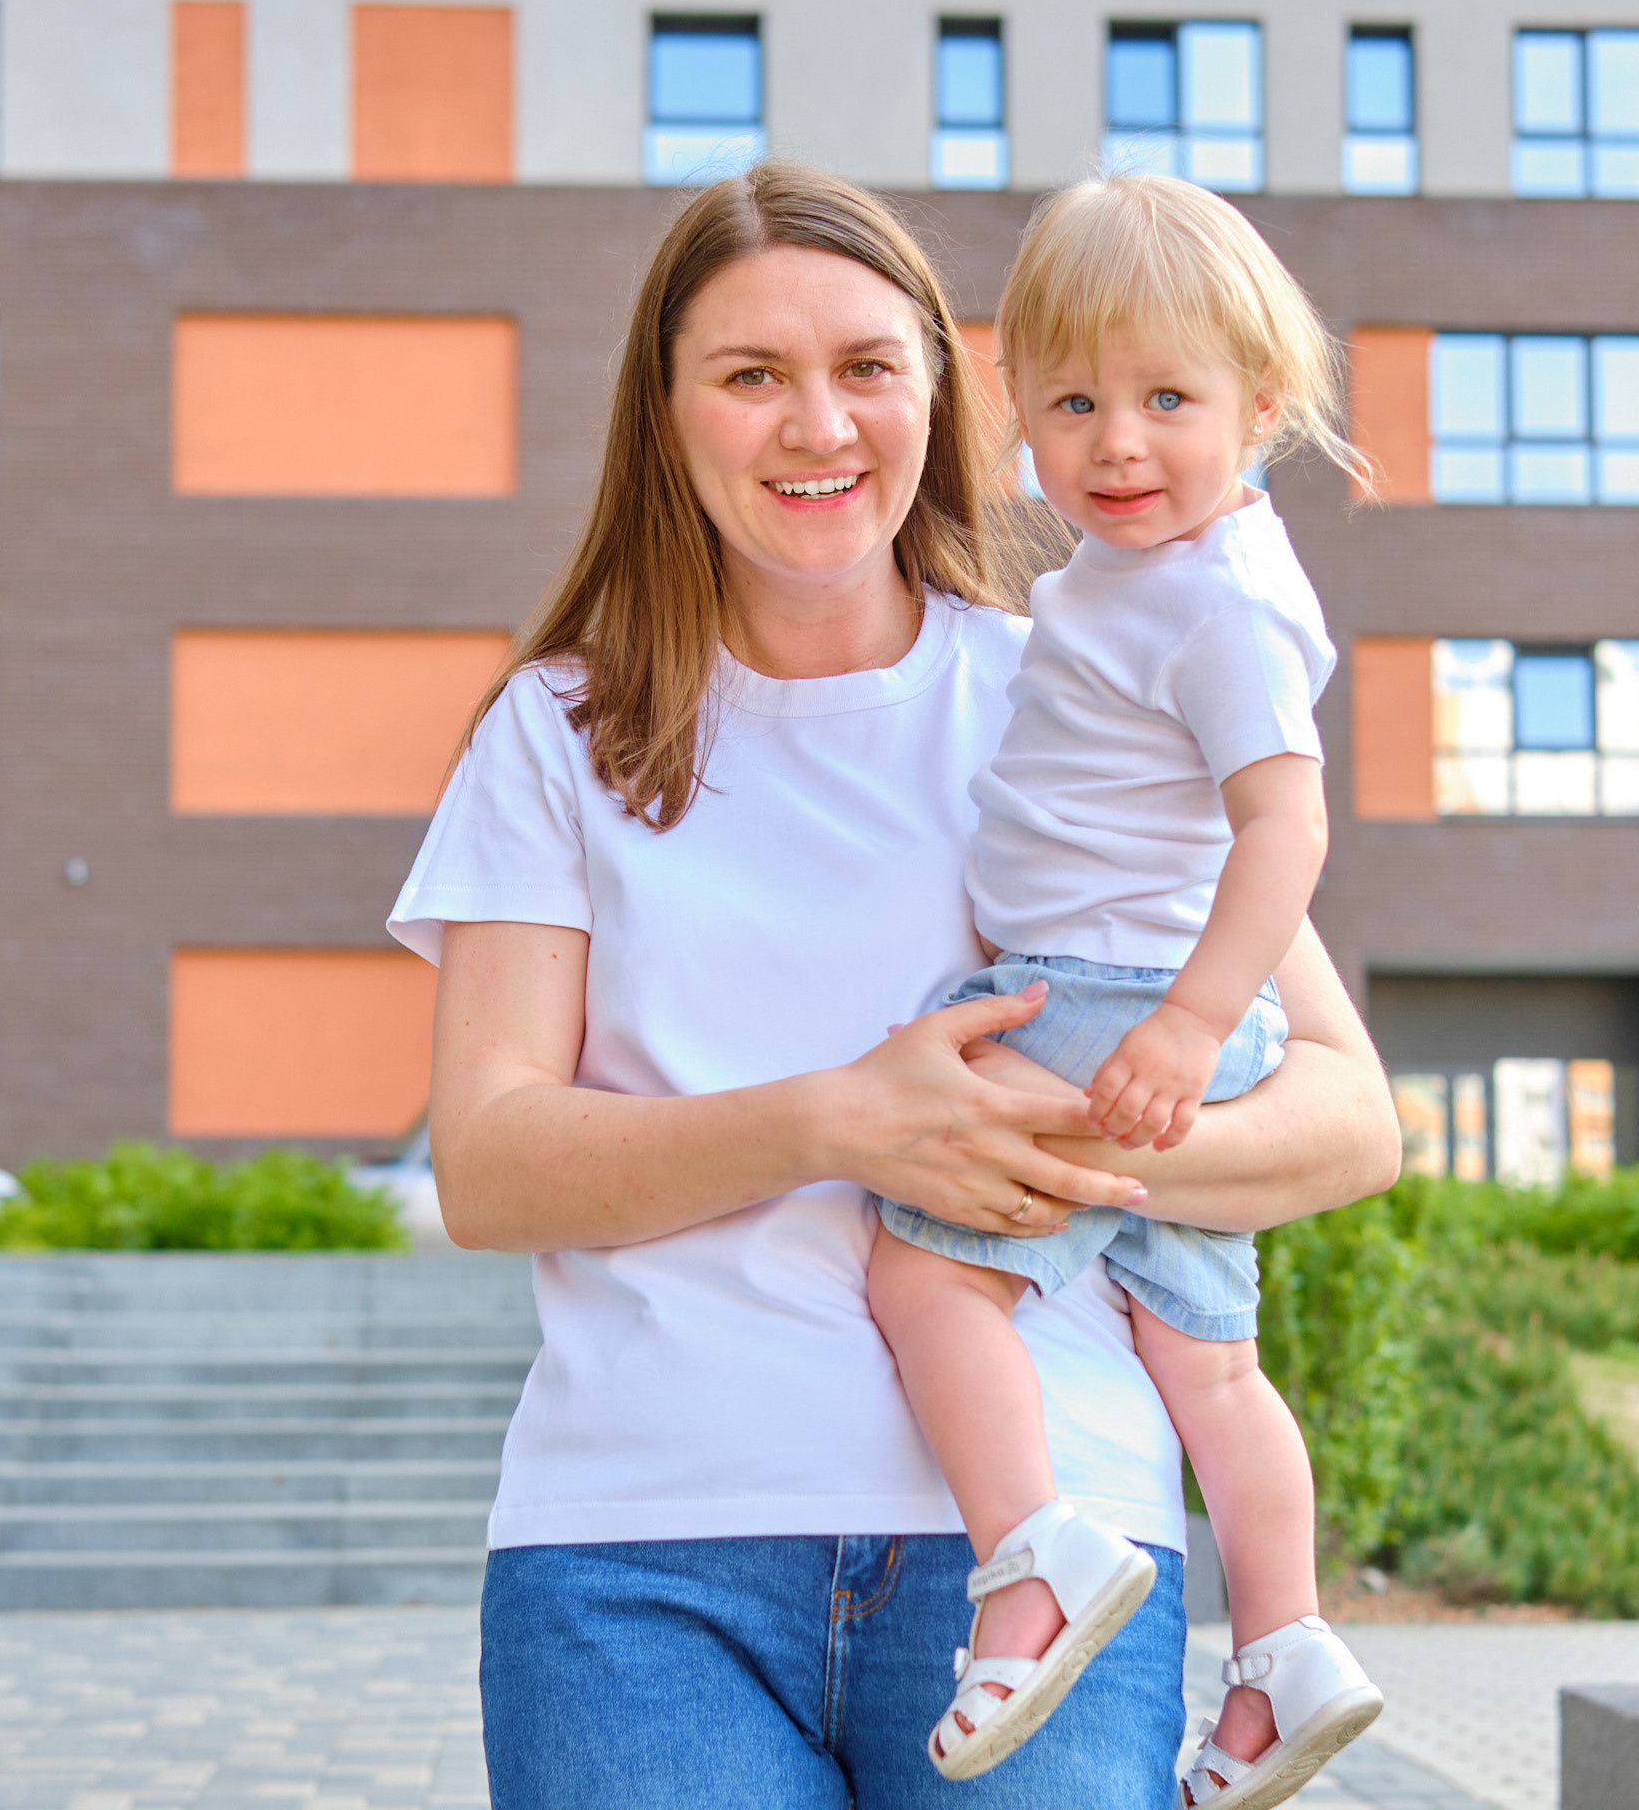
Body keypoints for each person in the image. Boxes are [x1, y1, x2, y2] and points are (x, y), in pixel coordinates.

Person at [387, 161, 1400, 1810]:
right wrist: (844, 1123)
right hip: (641, 1562)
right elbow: (493, 1166)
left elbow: (1352, 1123)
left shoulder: (1081, 679)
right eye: (750, 377)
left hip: (1056, 1550)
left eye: (865, 368)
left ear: (942, 389)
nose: (818, 427)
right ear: (667, 414)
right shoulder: (556, 736)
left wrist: (1037, 1145)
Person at [867, 175, 1384, 1806]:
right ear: (1016, 404)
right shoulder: (1149, 576)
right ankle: (1285, 1650)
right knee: (1208, 1366)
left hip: (1109, 992)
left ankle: (1029, 1561)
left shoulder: (1213, 603)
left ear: (1265, 407)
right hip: (1148, 994)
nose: (1118, 445)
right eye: (1076, 402)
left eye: (1170, 401)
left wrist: (1178, 1024)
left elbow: (1288, 823)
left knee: (926, 1279)